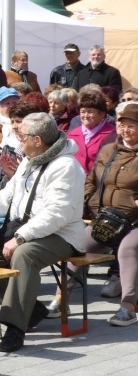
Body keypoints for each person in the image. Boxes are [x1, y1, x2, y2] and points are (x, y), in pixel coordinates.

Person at [0, 113, 85, 352]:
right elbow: (3, 201)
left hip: (63, 235)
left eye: (23, 136)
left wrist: (20, 237)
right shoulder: (29, 162)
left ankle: (14, 329)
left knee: (24, 254)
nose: (18, 139)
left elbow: (57, 215)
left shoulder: (66, 167)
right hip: (29, 230)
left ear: (38, 140)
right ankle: (31, 311)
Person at [45, 103, 138, 325]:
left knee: (127, 249)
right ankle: (61, 298)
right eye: (122, 125)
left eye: (131, 126)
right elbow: (91, 181)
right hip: (106, 218)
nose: (125, 130)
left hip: (134, 222)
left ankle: (128, 307)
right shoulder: (109, 150)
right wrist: (88, 202)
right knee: (78, 244)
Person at [67, 91, 117, 173]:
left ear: (102, 114)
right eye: (83, 112)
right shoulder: (72, 134)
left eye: (90, 112)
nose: (85, 116)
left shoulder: (112, 135)